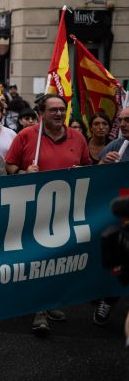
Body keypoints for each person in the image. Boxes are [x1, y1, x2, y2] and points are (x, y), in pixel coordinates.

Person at [5, 94, 91, 336]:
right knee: (38, 259)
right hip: (33, 211)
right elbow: (8, 166)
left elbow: (87, 166)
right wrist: (23, 172)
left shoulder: (77, 137)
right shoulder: (26, 136)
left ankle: (51, 303)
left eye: (62, 110)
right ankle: (39, 310)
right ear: (41, 113)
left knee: (60, 259)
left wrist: (82, 171)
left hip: (66, 210)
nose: (58, 114)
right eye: (53, 110)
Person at [92, 107, 129, 324]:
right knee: (118, 262)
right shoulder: (117, 145)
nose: (123, 124)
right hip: (121, 217)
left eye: (128, 120)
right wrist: (102, 165)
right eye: (121, 120)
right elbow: (96, 177)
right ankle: (109, 299)